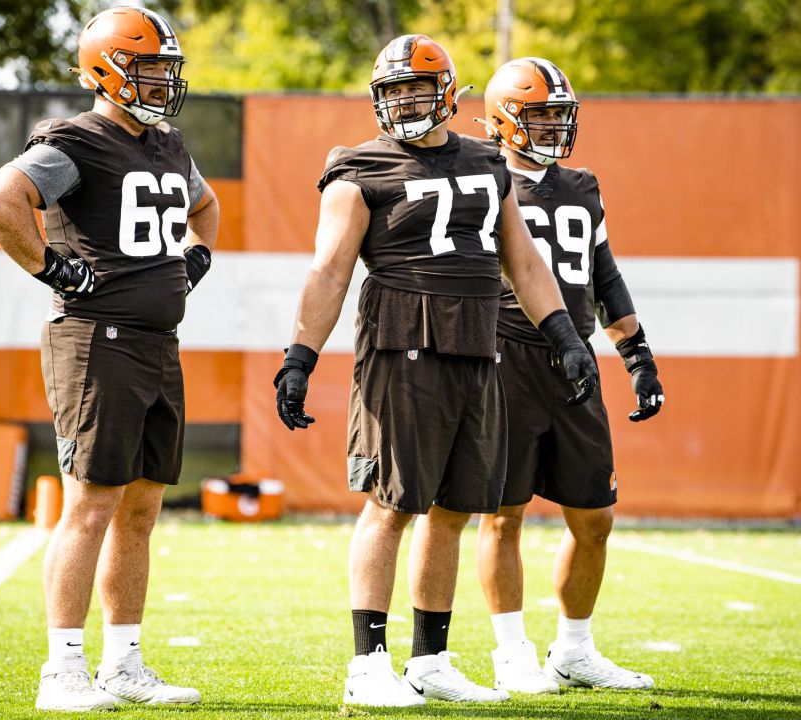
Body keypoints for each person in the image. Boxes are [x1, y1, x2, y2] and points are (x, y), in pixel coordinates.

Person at [273, 35, 598, 707]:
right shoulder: (358, 167)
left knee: (453, 509)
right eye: (393, 91)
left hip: (479, 346)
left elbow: (525, 263)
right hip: (403, 346)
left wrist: (564, 334)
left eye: (417, 89)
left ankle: (432, 660)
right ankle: (368, 666)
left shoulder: (486, 161)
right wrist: (299, 358)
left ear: (448, 92)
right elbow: (329, 270)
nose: (405, 101)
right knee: (391, 505)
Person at [0, 6, 218, 712]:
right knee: (90, 506)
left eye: (165, 69)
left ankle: (124, 664)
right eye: (146, 68)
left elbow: (205, 209)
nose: (160, 82)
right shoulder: (75, 141)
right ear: (105, 68)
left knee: (141, 508)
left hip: (155, 343)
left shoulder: (168, 145)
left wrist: (195, 259)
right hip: (95, 339)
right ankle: (62, 670)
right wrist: (53, 269)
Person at [474, 57, 663, 694]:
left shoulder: (582, 185)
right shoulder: (479, 176)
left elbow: (603, 276)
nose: (553, 125)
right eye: (539, 113)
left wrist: (637, 356)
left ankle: (574, 650)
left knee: (594, 516)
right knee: (504, 514)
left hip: (574, 360)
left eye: (560, 113)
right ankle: (510, 652)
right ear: (504, 116)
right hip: (505, 357)